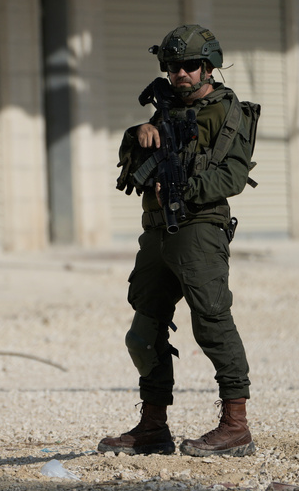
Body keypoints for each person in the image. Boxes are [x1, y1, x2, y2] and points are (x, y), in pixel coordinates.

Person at [103, 24, 259, 457]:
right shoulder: (163, 110)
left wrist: (184, 189)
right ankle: (153, 426)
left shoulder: (230, 112)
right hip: (156, 232)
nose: (181, 74)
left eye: (190, 65)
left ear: (208, 67)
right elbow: (128, 160)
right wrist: (138, 134)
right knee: (143, 331)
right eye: (172, 67)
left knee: (211, 322)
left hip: (199, 228)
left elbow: (234, 174)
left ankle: (235, 425)